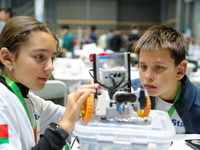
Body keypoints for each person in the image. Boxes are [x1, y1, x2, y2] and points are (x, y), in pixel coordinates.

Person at [0, 16, 99, 149]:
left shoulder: (32, 101)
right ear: (7, 58)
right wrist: (63, 127)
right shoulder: (3, 101)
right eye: (40, 57)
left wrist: (91, 98)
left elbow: (74, 115)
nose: (51, 67)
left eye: (53, 58)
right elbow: (67, 120)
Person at [131, 25, 200, 134]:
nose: (148, 77)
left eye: (159, 67)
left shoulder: (197, 106)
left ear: (180, 71)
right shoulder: (127, 92)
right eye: (143, 67)